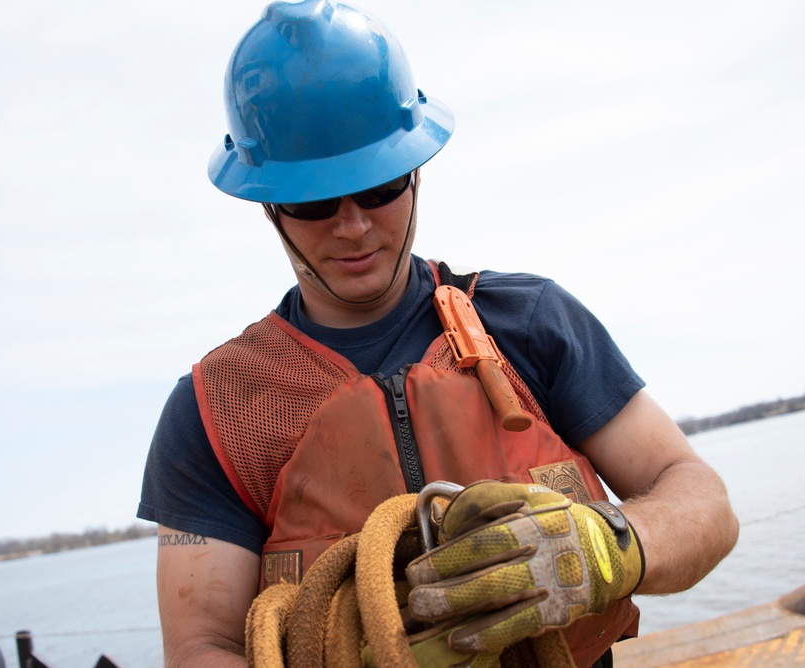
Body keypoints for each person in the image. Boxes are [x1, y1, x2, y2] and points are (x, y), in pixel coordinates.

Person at [137, 1, 739, 666]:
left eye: (379, 188)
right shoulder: (214, 412)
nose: (354, 226)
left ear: (415, 171)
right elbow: (200, 647)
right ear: (269, 205)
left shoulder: (533, 322)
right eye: (314, 202)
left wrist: (606, 546)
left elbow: (702, 500)